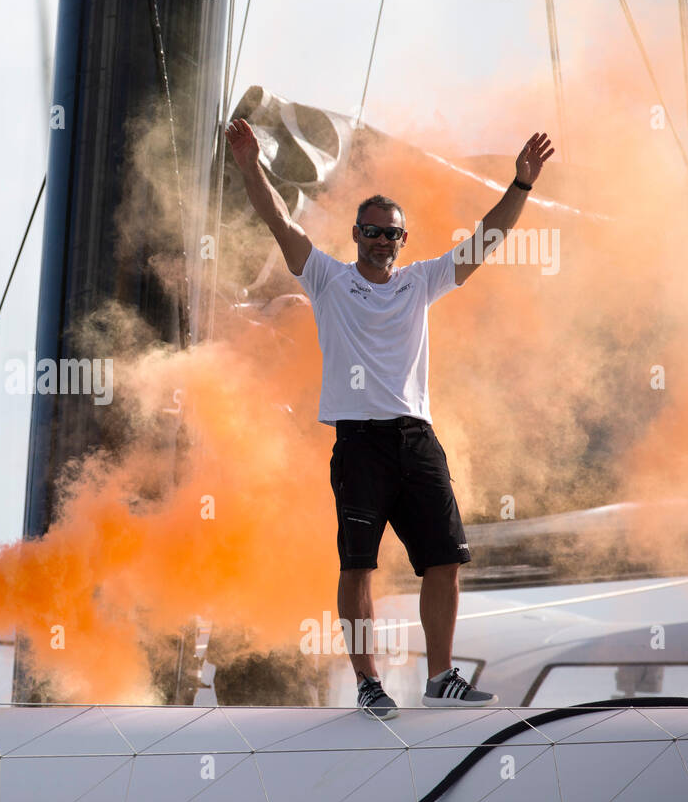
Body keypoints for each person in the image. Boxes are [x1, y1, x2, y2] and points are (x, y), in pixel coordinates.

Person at [225, 118, 553, 719]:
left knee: (445, 559)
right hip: (359, 442)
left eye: (391, 234)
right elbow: (280, 222)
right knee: (358, 566)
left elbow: (485, 240)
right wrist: (250, 166)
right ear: (356, 234)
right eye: (372, 231)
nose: (381, 241)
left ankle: (441, 677)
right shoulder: (327, 278)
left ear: (404, 240)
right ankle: (369, 681)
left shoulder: (421, 282)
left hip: (415, 435)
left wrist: (521, 185)